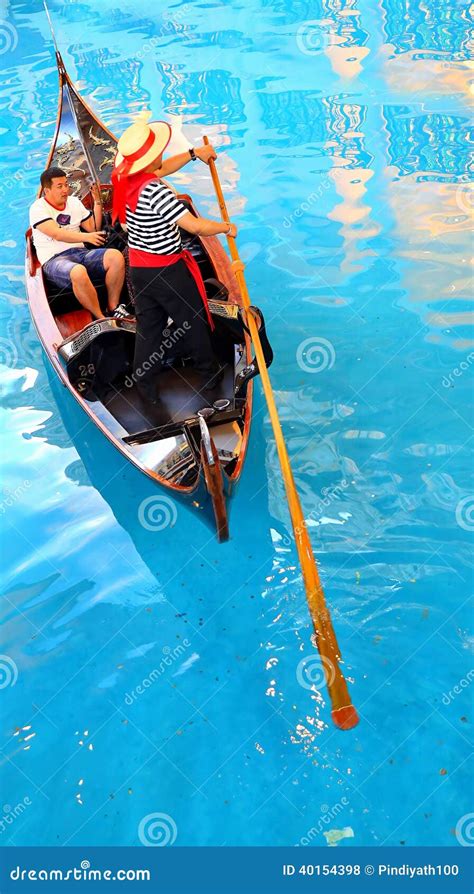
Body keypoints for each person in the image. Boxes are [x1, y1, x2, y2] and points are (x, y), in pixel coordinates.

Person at [112, 113, 238, 403]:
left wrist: (195, 154)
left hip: (140, 271)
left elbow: (162, 168)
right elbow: (194, 226)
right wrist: (226, 227)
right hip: (168, 271)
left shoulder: (125, 178)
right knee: (191, 321)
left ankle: (144, 384)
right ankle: (209, 374)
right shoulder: (156, 192)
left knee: (150, 329)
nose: (162, 156)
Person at [29, 167, 125, 319]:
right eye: (59, 186)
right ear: (47, 191)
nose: (65, 190)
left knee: (116, 257)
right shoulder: (38, 208)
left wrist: (97, 200)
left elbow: (93, 227)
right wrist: (86, 238)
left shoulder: (74, 202)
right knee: (78, 271)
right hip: (54, 260)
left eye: (66, 184)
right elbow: (56, 234)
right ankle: (101, 317)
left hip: (81, 254)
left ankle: (113, 307)